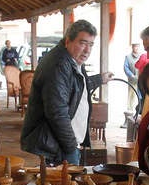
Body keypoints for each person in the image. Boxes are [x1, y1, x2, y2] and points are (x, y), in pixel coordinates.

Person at [20, 20, 113, 165]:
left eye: (91, 44)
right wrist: (71, 147)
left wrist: (100, 79)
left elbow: (75, 87)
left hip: (64, 143)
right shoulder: (58, 65)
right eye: (83, 43)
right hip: (59, 146)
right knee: (64, 180)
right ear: (68, 41)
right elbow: (57, 112)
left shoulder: (72, 60)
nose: (87, 50)